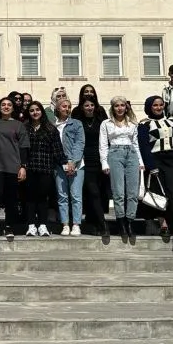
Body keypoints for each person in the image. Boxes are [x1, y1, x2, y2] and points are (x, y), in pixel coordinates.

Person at [139, 96, 173, 252]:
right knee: (158, 193)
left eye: (160, 105)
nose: (158, 107)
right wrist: (151, 166)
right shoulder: (144, 124)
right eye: (155, 105)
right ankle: (163, 224)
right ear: (149, 107)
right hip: (156, 160)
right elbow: (144, 146)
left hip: (172, 161)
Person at [100, 96, 143, 245]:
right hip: (115, 152)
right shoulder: (106, 123)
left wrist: (140, 162)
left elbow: (136, 143)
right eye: (117, 106)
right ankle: (121, 222)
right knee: (118, 192)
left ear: (126, 107)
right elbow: (103, 144)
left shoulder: (132, 123)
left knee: (132, 193)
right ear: (113, 108)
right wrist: (104, 163)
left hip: (131, 153)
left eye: (122, 105)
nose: (120, 108)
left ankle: (130, 221)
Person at [0, 96, 28, 243]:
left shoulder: (19, 125)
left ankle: (9, 226)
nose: (6, 107)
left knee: (11, 199)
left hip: (13, 166)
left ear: (13, 108)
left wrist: (23, 167)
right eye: (3, 104)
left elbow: (23, 147)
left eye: (9, 105)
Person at [24, 100, 65, 237]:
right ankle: (31, 225)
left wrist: (65, 164)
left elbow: (57, 150)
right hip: (29, 168)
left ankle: (42, 225)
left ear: (41, 111)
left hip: (45, 168)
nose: (35, 112)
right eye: (32, 110)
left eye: (37, 110)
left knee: (42, 198)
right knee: (30, 198)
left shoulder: (50, 128)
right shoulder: (24, 128)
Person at [78, 97, 111, 244]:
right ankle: (103, 225)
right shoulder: (79, 122)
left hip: (101, 159)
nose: (89, 107)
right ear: (82, 107)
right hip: (86, 160)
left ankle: (94, 222)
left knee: (101, 192)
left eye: (92, 105)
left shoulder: (102, 122)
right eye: (86, 105)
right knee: (93, 191)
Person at [53, 98, 84, 236]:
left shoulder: (76, 124)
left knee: (76, 195)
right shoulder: (53, 125)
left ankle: (76, 224)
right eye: (64, 106)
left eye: (69, 106)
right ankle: (65, 224)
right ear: (58, 108)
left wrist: (73, 161)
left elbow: (80, 143)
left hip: (76, 164)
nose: (67, 108)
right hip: (59, 164)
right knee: (62, 196)